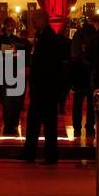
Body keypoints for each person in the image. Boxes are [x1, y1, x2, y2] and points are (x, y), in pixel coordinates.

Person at [22, 9, 66, 164]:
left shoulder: (48, 38)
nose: (33, 24)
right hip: (44, 88)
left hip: (45, 88)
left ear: (43, 20)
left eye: (35, 21)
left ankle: (41, 154)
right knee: (38, 122)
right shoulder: (44, 36)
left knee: (43, 123)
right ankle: (35, 153)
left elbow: (48, 66)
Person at [0, 18, 27, 136]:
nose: (11, 26)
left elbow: (22, 51)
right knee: (7, 100)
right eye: (9, 24)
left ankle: (14, 123)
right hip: (5, 71)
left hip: (16, 71)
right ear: (5, 25)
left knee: (16, 100)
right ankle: (8, 125)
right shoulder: (0, 39)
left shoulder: (17, 40)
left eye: (12, 24)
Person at [70, 21, 98, 138]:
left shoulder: (78, 34)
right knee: (91, 104)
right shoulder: (96, 35)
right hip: (91, 73)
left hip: (79, 74)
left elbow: (74, 55)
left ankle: (77, 128)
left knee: (77, 104)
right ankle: (90, 128)